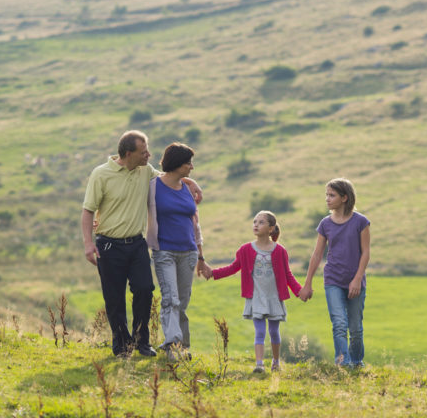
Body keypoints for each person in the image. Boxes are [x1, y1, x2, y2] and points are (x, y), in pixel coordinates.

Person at [81, 131, 201, 358]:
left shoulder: (146, 171)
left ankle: (141, 341)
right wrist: (88, 244)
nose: (149, 155)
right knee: (114, 298)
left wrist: (191, 182)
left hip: (136, 243)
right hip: (108, 245)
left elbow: (170, 176)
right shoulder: (101, 174)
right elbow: (88, 210)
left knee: (145, 290)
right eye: (144, 151)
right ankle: (121, 345)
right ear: (129, 154)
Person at [204, 211, 301, 373]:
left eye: (261, 222)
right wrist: (213, 273)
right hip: (256, 297)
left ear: (271, 229)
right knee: (260, 331)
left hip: (274, 297)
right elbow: (233, 268)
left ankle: (276, 362)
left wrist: (300, 291)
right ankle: (259, 364)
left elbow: (288, 275)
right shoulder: (245, 249)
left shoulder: (280, 251)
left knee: (274, 331)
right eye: (255, 221)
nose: (255, 225)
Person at [147, 142, 210, 360]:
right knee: (170, 299)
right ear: (176, 164)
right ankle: (173, 346)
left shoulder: (186, 189)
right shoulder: (153, 186)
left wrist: (201, 255)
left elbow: (196, 224)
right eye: (188, 163)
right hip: (164, 251)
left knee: (182, 303)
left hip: (188, 252)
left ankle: (183, 346)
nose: (191, 167)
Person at [299, 178, 370, 368]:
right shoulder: (325, 224)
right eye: (326, 195)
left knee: (355, 328)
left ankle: (356, 362)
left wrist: (357, 279)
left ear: (344, 198)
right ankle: (342, 363)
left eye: (332, 195)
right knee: (339, 324)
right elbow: (317, 255)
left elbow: (366, 253)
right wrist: (307, 284)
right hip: (333, 280)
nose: (327, 199)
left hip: (355, 282)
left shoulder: (361, 222)